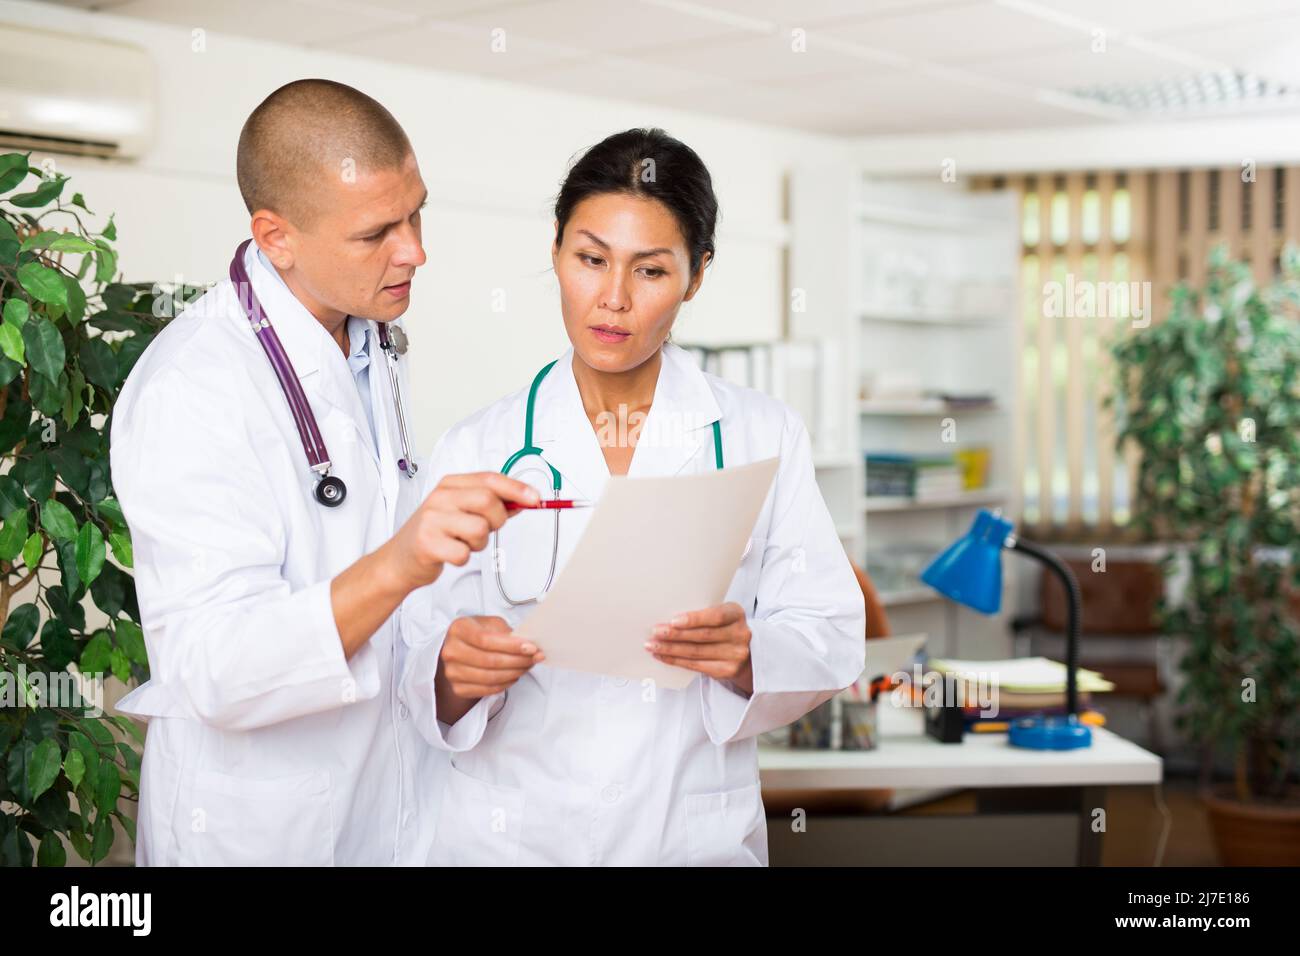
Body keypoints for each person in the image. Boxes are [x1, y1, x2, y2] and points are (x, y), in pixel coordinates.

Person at [399, 128, 866, 866]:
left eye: (650, 271)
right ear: (556, 251)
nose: (612, 300)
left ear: (696, 275)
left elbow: (831, 638)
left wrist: (748, 656)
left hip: (686, 837)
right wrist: (451, 675)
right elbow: (411, 662)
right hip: (513, 838)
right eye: (590, 260)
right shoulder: (476, 447)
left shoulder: (762, 436)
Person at [110, 79, 538, 866]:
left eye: (417, 213)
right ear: (277, 238)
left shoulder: (368, 342)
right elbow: (215, 668)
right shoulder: (194, 387)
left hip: (386, 816)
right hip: (258, 835)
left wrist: (450, 664)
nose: (415, 249)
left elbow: (378, 617)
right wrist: (400, 563)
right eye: (378, 231)